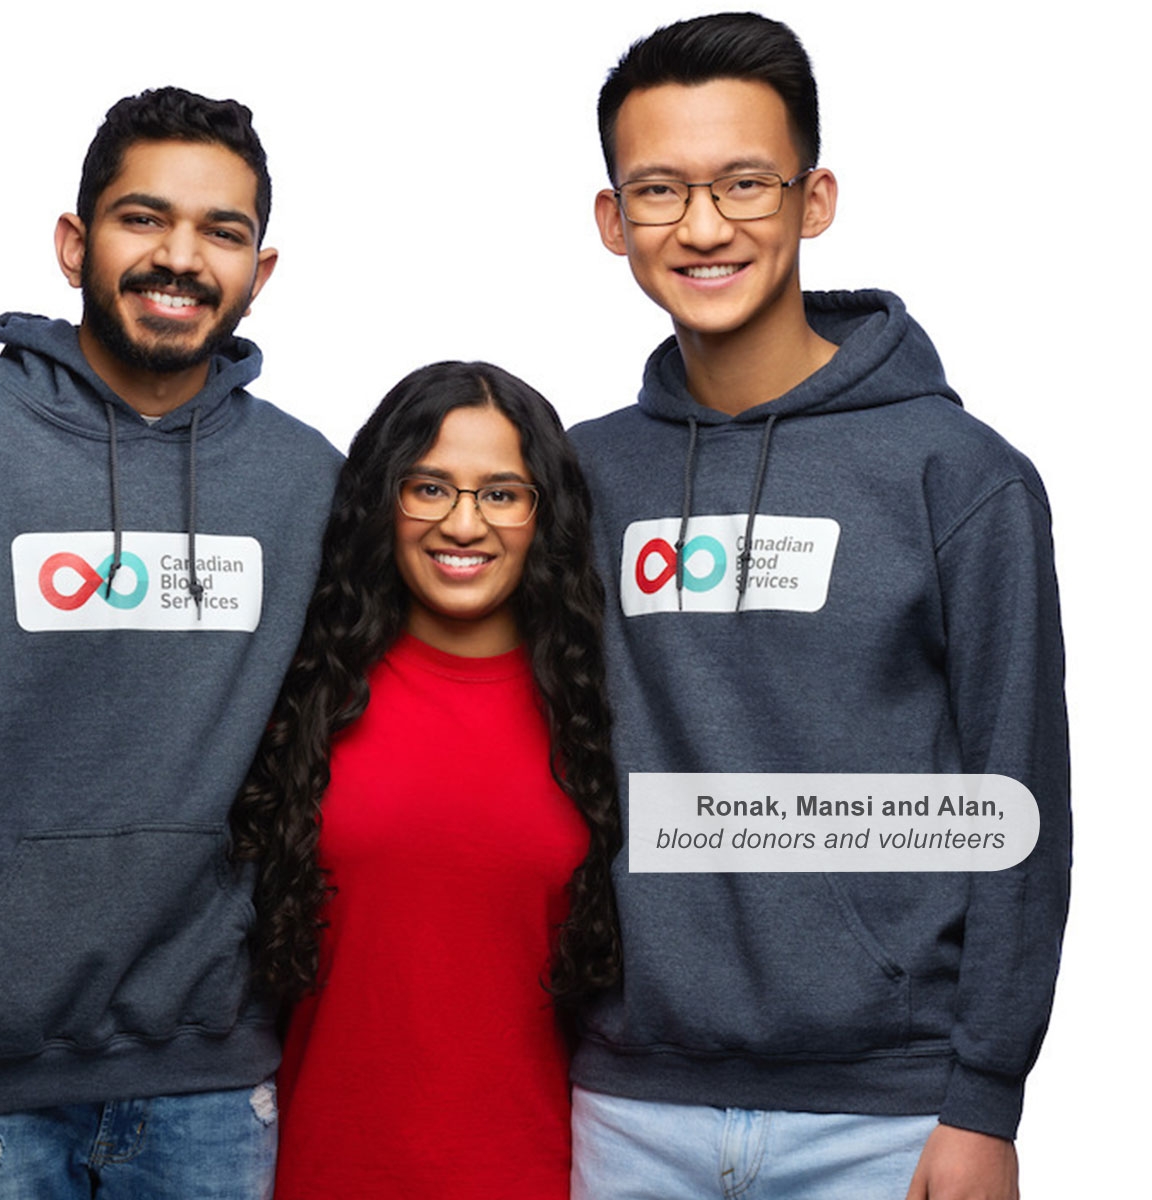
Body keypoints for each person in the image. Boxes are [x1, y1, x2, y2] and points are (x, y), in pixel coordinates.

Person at [0, 87, 341, 1200]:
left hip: (215, 1083)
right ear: (75, 242)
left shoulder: (307, 485)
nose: (179, 258)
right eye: (145, 219)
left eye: (220, 232)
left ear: (260, 271)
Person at [567, 13, 1069, 1200]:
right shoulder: (579, 477)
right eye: (658, 190)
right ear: (610, 220)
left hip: (886, 1120)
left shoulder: (962, 476)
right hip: (624, 1105)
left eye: (746, 182)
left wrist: (985, 1103)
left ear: (815, 198)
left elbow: (1021, 795)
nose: (702, 226)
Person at [230, 361, 622, 1198]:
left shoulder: (596, 712)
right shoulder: (300, 695)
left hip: (540, 1174)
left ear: (542, 514)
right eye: (430, 488)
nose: (464, 523)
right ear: (384, 501)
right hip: (322, 1170)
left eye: (502, 493)